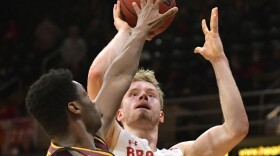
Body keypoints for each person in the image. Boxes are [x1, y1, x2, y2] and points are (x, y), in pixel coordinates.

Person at [88, 6, 249, 156]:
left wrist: (219, 60)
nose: (143, 96)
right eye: (133, 94)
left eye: (151, 95)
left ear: (161, 115)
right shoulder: (110, 137)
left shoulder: (178, 153)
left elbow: (236, 129)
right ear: (118, 113)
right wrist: (127, 32)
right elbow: (97, 75)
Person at [25, 0, 178, 155]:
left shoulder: (93, 137)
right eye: (86, 96)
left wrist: (131, 31)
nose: (95, 101)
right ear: (75, 108)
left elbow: (118, 78)